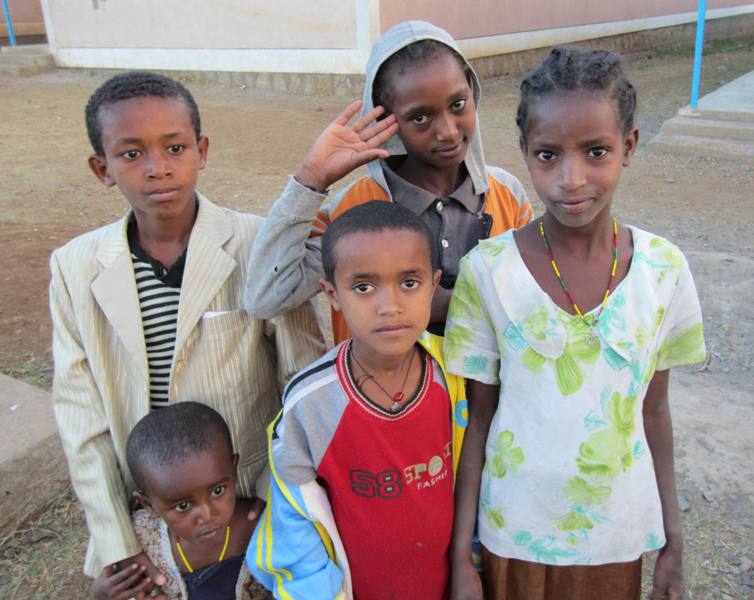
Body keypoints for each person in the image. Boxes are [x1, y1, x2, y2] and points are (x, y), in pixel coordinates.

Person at [445, 47, 706, 600]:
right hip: (513, 531)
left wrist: (673, 541)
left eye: (596, 152)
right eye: (547, 154)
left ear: (628, 146)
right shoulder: (488, 272)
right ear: (524, 153)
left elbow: (654, 410)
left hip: (616, 534)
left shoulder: (663, 271)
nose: (571, 179)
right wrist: (460, 554)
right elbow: (479, 418)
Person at [49, 71, 324, 593]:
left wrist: (282, 503)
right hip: (155, 512)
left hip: (248, 503)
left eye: (174, 147)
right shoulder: (74, 268)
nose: (157, 168)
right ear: (101, 168)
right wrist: (116, 543)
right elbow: (80, 418)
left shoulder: (255, 244)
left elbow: (299, 381)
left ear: (200, 150)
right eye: (131, 154)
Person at [244, 20, 532, 343]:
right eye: (420, 117)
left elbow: (531, 301)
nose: (448, 130)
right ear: (386, 120)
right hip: (381, 393)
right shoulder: (352, 211)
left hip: (489, 394)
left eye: (457, 104)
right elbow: (264, 297)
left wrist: (454, 304)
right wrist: (311, 178)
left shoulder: (508, 195)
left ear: (472, 91)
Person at [247, 201, 468, 599]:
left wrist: (471, 565)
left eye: (409, 283)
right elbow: (292, 521)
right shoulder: (310, 404)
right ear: (332, 294)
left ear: (434, 285)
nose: (390, 305)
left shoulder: (455, 374)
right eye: (364, 287)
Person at [92, 402, 271, 599]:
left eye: (218, 491)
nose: (207, 514)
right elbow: (118, 587)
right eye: (183, 506)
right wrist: (102, 594)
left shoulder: (264, 527)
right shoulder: (142, 541)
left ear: (234, 471)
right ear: (148, 504)